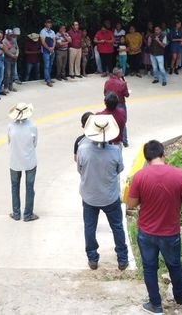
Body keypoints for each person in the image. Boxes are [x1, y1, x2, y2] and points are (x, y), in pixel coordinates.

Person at [126, 140, 182, 314]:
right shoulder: (179, 174)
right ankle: (180, 298)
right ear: (163, 155)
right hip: (170, 232)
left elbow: (131, 204)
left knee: (149, 268)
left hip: (146, 233)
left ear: (147, 158)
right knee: (174, 265)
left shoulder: (140, 176)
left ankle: (155, 305)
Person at [76, 115, 128, 271]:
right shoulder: (115, 151)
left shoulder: (82, 149)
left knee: (90, 227)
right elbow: (119, 169)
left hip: (89, 196)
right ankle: (122, 258)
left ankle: (92, 258)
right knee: (117, 227)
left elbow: (79, 169)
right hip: (110, 197)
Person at [6, 103, 39, 222]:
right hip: (29, 161)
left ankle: (16, 213)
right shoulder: (32, 127)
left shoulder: (10, 127)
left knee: (15, 187)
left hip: (14, 161)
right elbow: (35, 144)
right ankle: (28, 214)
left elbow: (9, 142)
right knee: (29, 187)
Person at [104, 68, 130, 147]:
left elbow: (105, 93)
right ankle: (124, 141)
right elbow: (127, 95)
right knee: (122, 121)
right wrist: (126, 85)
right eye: (121, 73)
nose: (122, 74)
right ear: (118, 74)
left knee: (110, 121)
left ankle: (110, 140)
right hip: (120, 104)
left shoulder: (107, 82)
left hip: (109, 103)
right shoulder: (122, 83)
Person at [38, 20, 56, 87]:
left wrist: (53, 48)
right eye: (48, 23)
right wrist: (49, 48)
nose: (49, 24)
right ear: (45, 24)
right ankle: (48, 80)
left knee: (50, 65)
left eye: (50, 23)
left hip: (52, 51)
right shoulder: (43, 31)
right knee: (46, 66)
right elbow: (43, 42)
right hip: (46, 51)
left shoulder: (52, 32)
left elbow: (54, 41)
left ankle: (48, 78)